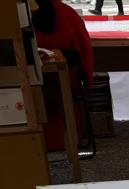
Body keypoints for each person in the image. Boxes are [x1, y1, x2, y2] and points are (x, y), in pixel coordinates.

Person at [33, 0, 94, 151]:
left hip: (32, 89)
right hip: (66, 85)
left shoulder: (17, 15)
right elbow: (85, 52)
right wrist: (87, 82)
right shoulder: (67, 12)